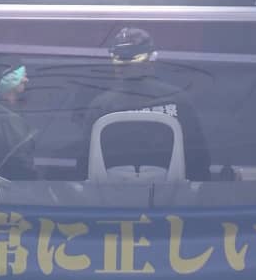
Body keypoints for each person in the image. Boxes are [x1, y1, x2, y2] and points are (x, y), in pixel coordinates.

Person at [77, 27, 211, 181]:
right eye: (119, 58)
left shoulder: (101, 105)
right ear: (151, 60)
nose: (121, 64)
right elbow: (199, 160)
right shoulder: (177, 99)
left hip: (111, 194)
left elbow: (84, 167)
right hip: (172, 194)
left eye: (128, 58)